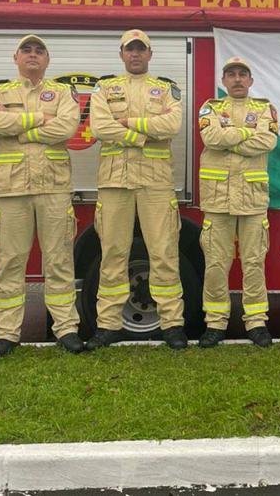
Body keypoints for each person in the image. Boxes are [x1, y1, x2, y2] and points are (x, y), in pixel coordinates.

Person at [0, 34, 85, 356]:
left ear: (47, 60)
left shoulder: (63, 92)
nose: (33, 55)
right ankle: (7, 333)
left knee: (59, 261)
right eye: (26, 50)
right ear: (16, 58)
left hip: (53, 188)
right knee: (11, 262)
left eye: (39, 50)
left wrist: (19, 129)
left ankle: (66, 329)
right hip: (13, 190)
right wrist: (41, 119)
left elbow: (67, 128)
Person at [87, 29, 187, 350]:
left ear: (149, 54)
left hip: (156, 182)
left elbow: (171, 126)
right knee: (114, 253)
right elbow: (100, 127)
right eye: (129, 50)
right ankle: (108, 325)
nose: (135, 55)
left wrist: (129, 123)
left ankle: (172, 324)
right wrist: (144, 133)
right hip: (115, 181)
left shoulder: (165, 89)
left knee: (164, 252)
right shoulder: (105, 88)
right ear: (121, 55)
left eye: (140, 49)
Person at [196, 56, 278, 348]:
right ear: (223, 81)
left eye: (243, 74)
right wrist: (246, 133)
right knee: (216, 264)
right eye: (231, 74)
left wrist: (230, 136)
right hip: (218, 201)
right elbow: (211, 139)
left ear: (251, 80)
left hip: (253, 201)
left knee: (254, 262)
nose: (237, 79)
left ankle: (256, 322)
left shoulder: (264, 108)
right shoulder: (210, 107)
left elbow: (267, 142)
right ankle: (215, 324)